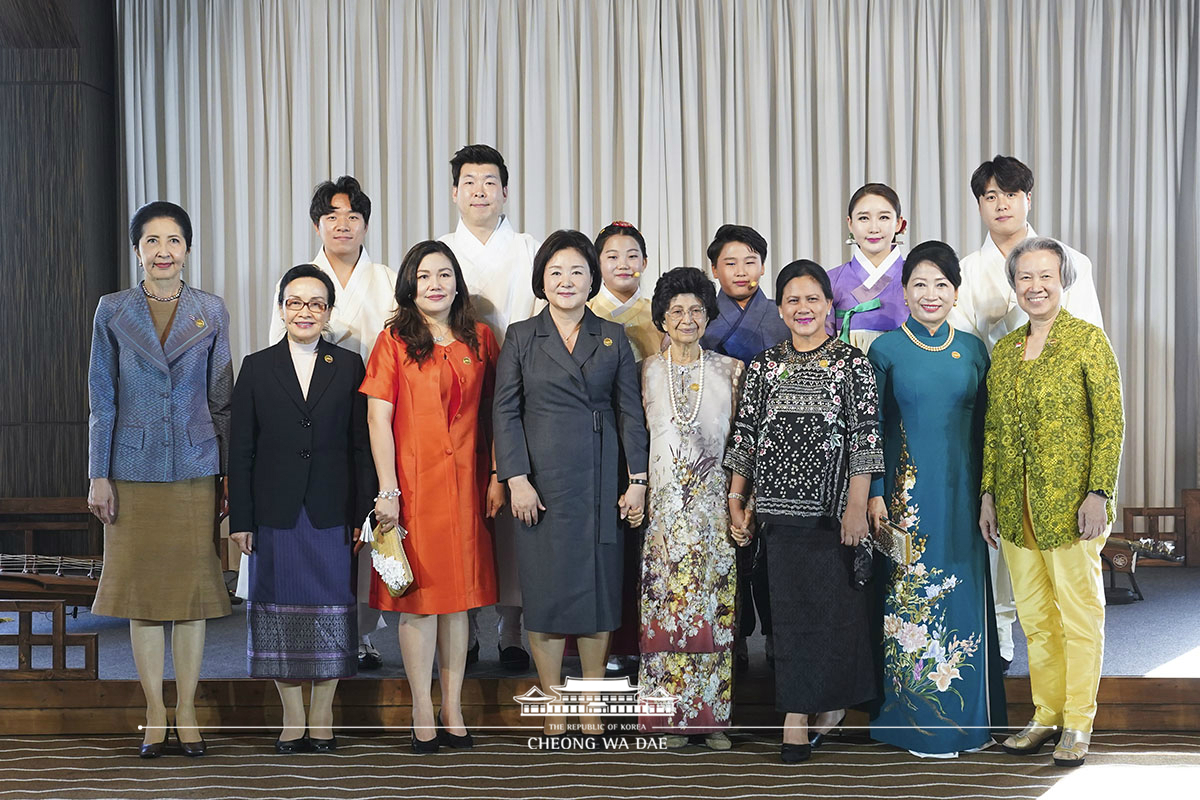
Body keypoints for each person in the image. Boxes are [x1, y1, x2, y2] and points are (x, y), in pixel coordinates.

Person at [948, 155, 1105, 672]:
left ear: (1028, 198)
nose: (1001, 204)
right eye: (990, 196)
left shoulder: (1068, 258)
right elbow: (964, 349)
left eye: (1010, 194)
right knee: (998, 531)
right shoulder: (968, 271)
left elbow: (1091, 348)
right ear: (979, 205)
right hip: (996, 412)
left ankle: (1070, 678)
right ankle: (1002, 637)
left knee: (1064, 551)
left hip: (1061, 425)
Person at [87, 201, 232, 758]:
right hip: (130, 470)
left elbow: (222, 401)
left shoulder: (211, 311)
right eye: (152, 242)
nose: (163, 252)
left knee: (192, 598)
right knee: (143, 599)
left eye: (173, 241)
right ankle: (153, 712)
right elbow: (102, 398)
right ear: (138, 250)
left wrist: (226, 478)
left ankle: (189, 710)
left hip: (195, 468)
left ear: (188, 249)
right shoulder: (112, 309)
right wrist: (98, 473)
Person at [724, 260, 882, 764]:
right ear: (781, 308)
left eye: (812, 298)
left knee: (835, 616)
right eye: (792, 300)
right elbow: (745, 436)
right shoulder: (766, 365)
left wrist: (857, 506)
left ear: (829, 305)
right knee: (788, 619)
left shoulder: (853, 365)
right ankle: (795, 715)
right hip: (777, 515)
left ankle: (831, 705)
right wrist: (737, 499)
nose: (803, 308)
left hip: (834, 515)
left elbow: (866, 437)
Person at [492, 229, 649, 737]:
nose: (567, 281)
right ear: (542, 279)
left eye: (578, 271)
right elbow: (505, 412)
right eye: (556, 271)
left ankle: (590, 702)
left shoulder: (613, 336)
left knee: (599, 593)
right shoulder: (520, 335)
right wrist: (514, 477)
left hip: (600, 480)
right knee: (545, 592)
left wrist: (637, 480)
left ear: (592, 279)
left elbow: (631, 414)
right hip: (538, 482)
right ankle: (554, 699)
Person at [980, 237, 1123, 768]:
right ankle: (1046, 714)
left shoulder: (1088, 342)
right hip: (1016, 509)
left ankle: (1079, 723)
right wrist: (989, 494)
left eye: (1046, 276)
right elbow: (994, 431)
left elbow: (1111, 426)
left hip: (1073, 507)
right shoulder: (1005, 350)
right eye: (1025, 278)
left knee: (1080, 616)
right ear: (1013, 285)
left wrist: (1099, 492)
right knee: (1035, 619)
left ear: (1062, 281)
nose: (1035, 287)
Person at [864, 241, 1007, 756]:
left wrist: (988, 494)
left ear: (955, 291)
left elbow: (988, 433)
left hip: (964, 496)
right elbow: (870, 430)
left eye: (941, 285)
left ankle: (968, 723)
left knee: (965, 598)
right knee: (908, 603)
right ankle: (915, 721)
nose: (930, 294)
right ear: (904, 291)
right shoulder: (885, 350)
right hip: (907, 501)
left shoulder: (973, 349)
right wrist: (876, 495)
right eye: (919, 284)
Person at [361, 241, 502, 753]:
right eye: (424, 276)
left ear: (457, 282)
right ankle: (422, 703)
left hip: (467, 485)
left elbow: (495, 413)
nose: (435, 283)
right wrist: (387, 489)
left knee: (459, 603)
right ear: (410, 285)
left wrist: (495, 474)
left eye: (445, 274)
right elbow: (378, 420)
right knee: (419, 602)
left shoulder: (481, 337)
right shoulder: (393, 340)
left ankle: (453, 704)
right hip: (414, 489)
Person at [228, 264, 374, 754]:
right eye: (295, 302)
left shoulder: (350, 366)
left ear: (329, 312)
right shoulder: (256, 366)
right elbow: (241, 450)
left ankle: (322, 715)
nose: (305, 311)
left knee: (332, 612)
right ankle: (293, 718)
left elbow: (361, 448)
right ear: (282, 308)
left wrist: (362, 515)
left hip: (332, 511)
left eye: (316, 303)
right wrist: (241, 519)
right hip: (274, 512)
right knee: (278, 614)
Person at [255, 176, 397, 671]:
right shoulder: (299, 282)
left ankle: (359, 633)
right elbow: (280, 354)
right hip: (313, 418)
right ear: (317, 224)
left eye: (353, 216)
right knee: (314, 539)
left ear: (365, 224)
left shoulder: (383, 278)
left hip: (373, 412)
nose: (343, 225)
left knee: (360, 530)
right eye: (332, 217)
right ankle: (318, 641)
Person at [439, 144, 541, 671]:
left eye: (490, 181)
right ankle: (466, 623)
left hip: (519, 393)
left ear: (505, 191)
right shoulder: (438, 253)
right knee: (460, 512)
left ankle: (510, 628)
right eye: (469, 181)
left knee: (512, 514)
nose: (480, 190)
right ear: (455, 192)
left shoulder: (527, 247)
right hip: (451, 401)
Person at [637, 267, 746, 751]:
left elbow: (744, 446)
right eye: (677, 310)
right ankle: (666, 720)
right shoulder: (646, 370)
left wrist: (744, 503)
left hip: (713, 513)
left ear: (708, 316)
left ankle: (712, 719)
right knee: (665, 615)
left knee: (712, 616)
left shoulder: (730, 370)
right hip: (664, 515)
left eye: (696, 310)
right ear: (661, 317)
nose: (686, 318)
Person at [699, 223, 789, 668]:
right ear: (713, 268)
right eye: (730, 262)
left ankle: (776, 634)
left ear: (763, 266)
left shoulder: (782, 314)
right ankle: (729, 635)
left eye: (751, 261)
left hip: (776, 443)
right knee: (724, 539)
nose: (741, 270)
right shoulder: (699, 316)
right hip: (715, 443)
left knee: (772, 542)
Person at [826, 183, 909, 352]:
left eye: (884, 218)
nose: (873, 228)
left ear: (899, 223)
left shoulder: (917, 277)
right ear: (850, 223)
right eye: (864, 218)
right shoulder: (830, 281)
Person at [587, 221, 663, 361]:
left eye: (632, 256)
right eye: (613, 257)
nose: (623, 265)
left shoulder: (660, 314)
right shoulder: (585, 313)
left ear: (644, 263)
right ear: (598, 263)